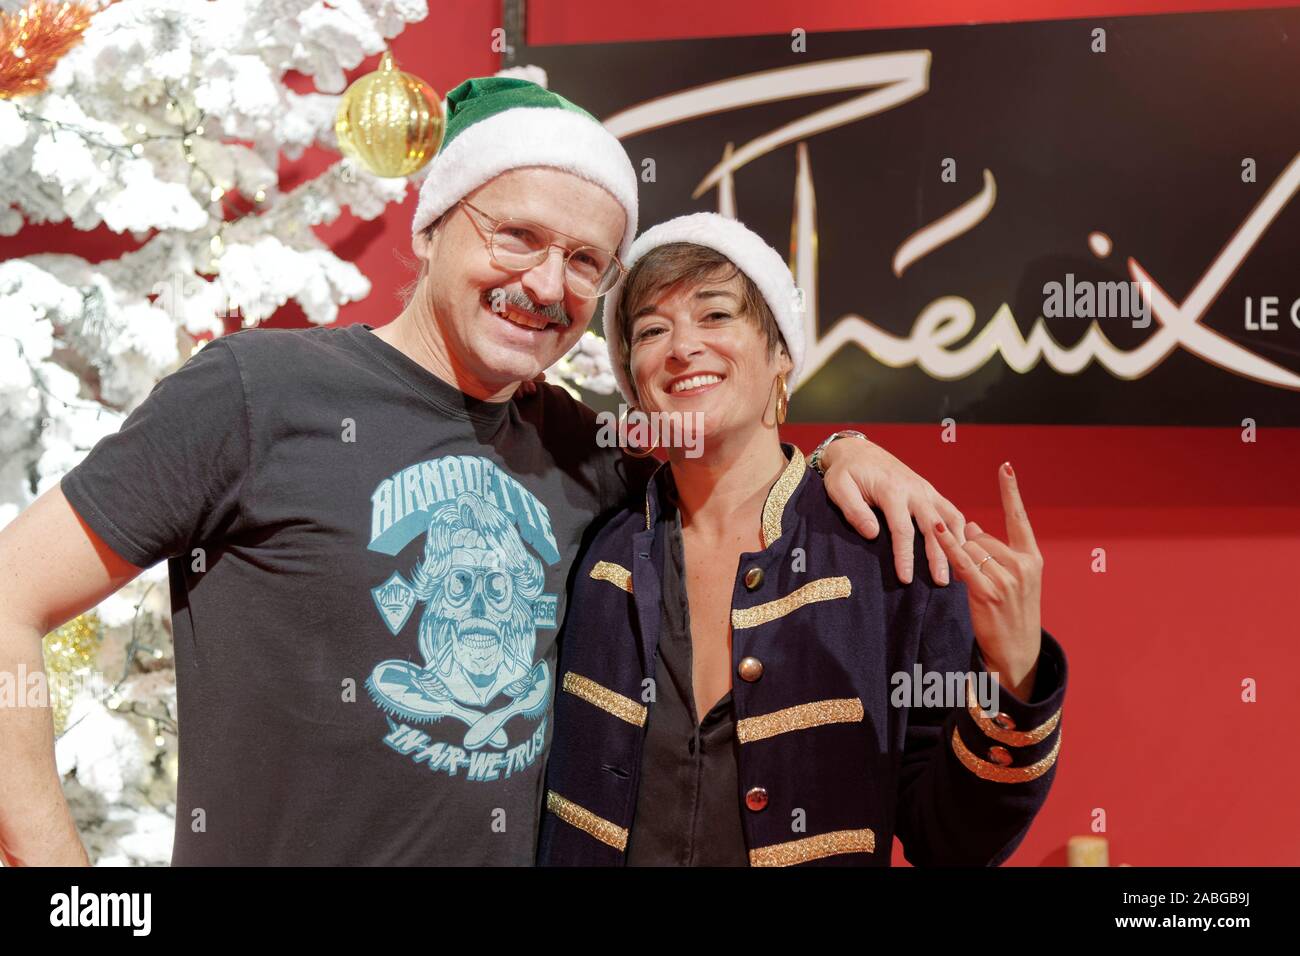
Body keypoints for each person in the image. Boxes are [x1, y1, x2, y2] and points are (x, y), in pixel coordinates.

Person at [0, 79, 967, 867]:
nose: (547, 284)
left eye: (585, 261)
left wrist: (844, 451)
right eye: (517, 236)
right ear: (430, 230)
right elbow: (9, 596)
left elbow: (730, 447)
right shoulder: (260, 393)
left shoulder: (587, 452)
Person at [538, 213, 1067, 866]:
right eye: (651, 330)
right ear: (632, 377)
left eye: (716, 316)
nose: (681, 348)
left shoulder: (888, 546)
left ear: (780, 350)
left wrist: (1011, 677)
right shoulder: (595, 540)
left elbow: (954, 840)